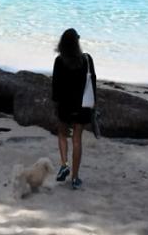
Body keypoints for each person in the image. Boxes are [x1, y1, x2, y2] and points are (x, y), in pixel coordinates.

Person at [51, 27, 96, 190]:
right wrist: (94, 105)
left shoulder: (59, 61)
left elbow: (55, 86)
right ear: (77, 42)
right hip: (82, 105)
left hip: (64, 105)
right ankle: (75, 178)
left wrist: (55, 104)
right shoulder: (87, 60)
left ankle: (64, 164)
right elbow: (93, 83)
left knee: (62, 134)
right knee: (77, 140)